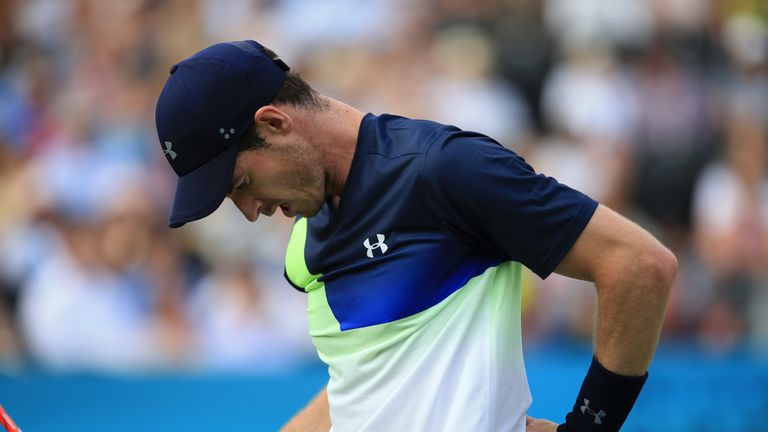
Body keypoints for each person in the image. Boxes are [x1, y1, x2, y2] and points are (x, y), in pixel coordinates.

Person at [155, 40, 677, 432]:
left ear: (273, 123)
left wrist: (588, 428)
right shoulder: (302, 243)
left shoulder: (445, 170)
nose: (250, 212)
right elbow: (361, 389)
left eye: (242, 184)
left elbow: (638, 264)